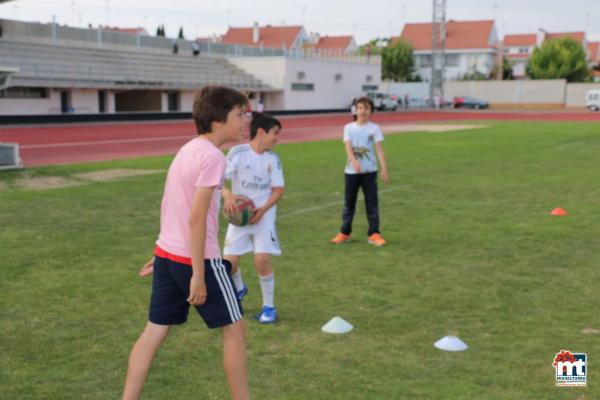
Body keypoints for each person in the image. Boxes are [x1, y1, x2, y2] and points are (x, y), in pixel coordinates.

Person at [124, 86, 250, 400]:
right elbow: (195, 219)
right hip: (199, 261)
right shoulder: (214, 157)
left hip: (168, 255)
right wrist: (196, 273)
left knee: (154, 331)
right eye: (239, 115)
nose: (245, 121)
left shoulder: (189, 149)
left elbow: (171, 204)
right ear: (219, 120)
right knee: (235, 329)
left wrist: (163, 255)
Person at [222, 113, 284, 324]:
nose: (277, 138)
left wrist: (263, 210)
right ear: (260, 132)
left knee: (262, 260)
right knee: (228, 264)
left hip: (263, 217)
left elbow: (278, 190)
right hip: (240, 217)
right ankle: (240, 288)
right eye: (275, 133)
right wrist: (229, 196)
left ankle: (269, 307)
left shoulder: (273, 159)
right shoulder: (238, 153)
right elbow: (218, 178)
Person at [330, 96, 389, 247]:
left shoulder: (374, 128)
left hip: (370, 173)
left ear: (371, 112)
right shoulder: (348, 127)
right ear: (356, 110)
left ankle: (374, 234)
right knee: (349, 204)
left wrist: (384, 168)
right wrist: (354, 161)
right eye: (360, 107)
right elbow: (348, 147)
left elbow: (379, 150)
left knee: (372, 204)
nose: (363, 111)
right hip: (351, 172)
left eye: (367, 108)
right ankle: (345, 232)